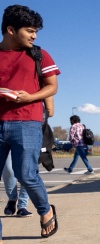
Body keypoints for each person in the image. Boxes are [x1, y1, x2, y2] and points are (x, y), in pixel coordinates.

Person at [0, 4, 59, 239]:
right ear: (11, 29)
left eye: (36, 31)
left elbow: (52, 86)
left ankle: (45, 211)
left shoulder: (39, 54)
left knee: (26, 175)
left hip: (27, 122)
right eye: (29, 30)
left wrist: (29, 97)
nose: (34, 36)